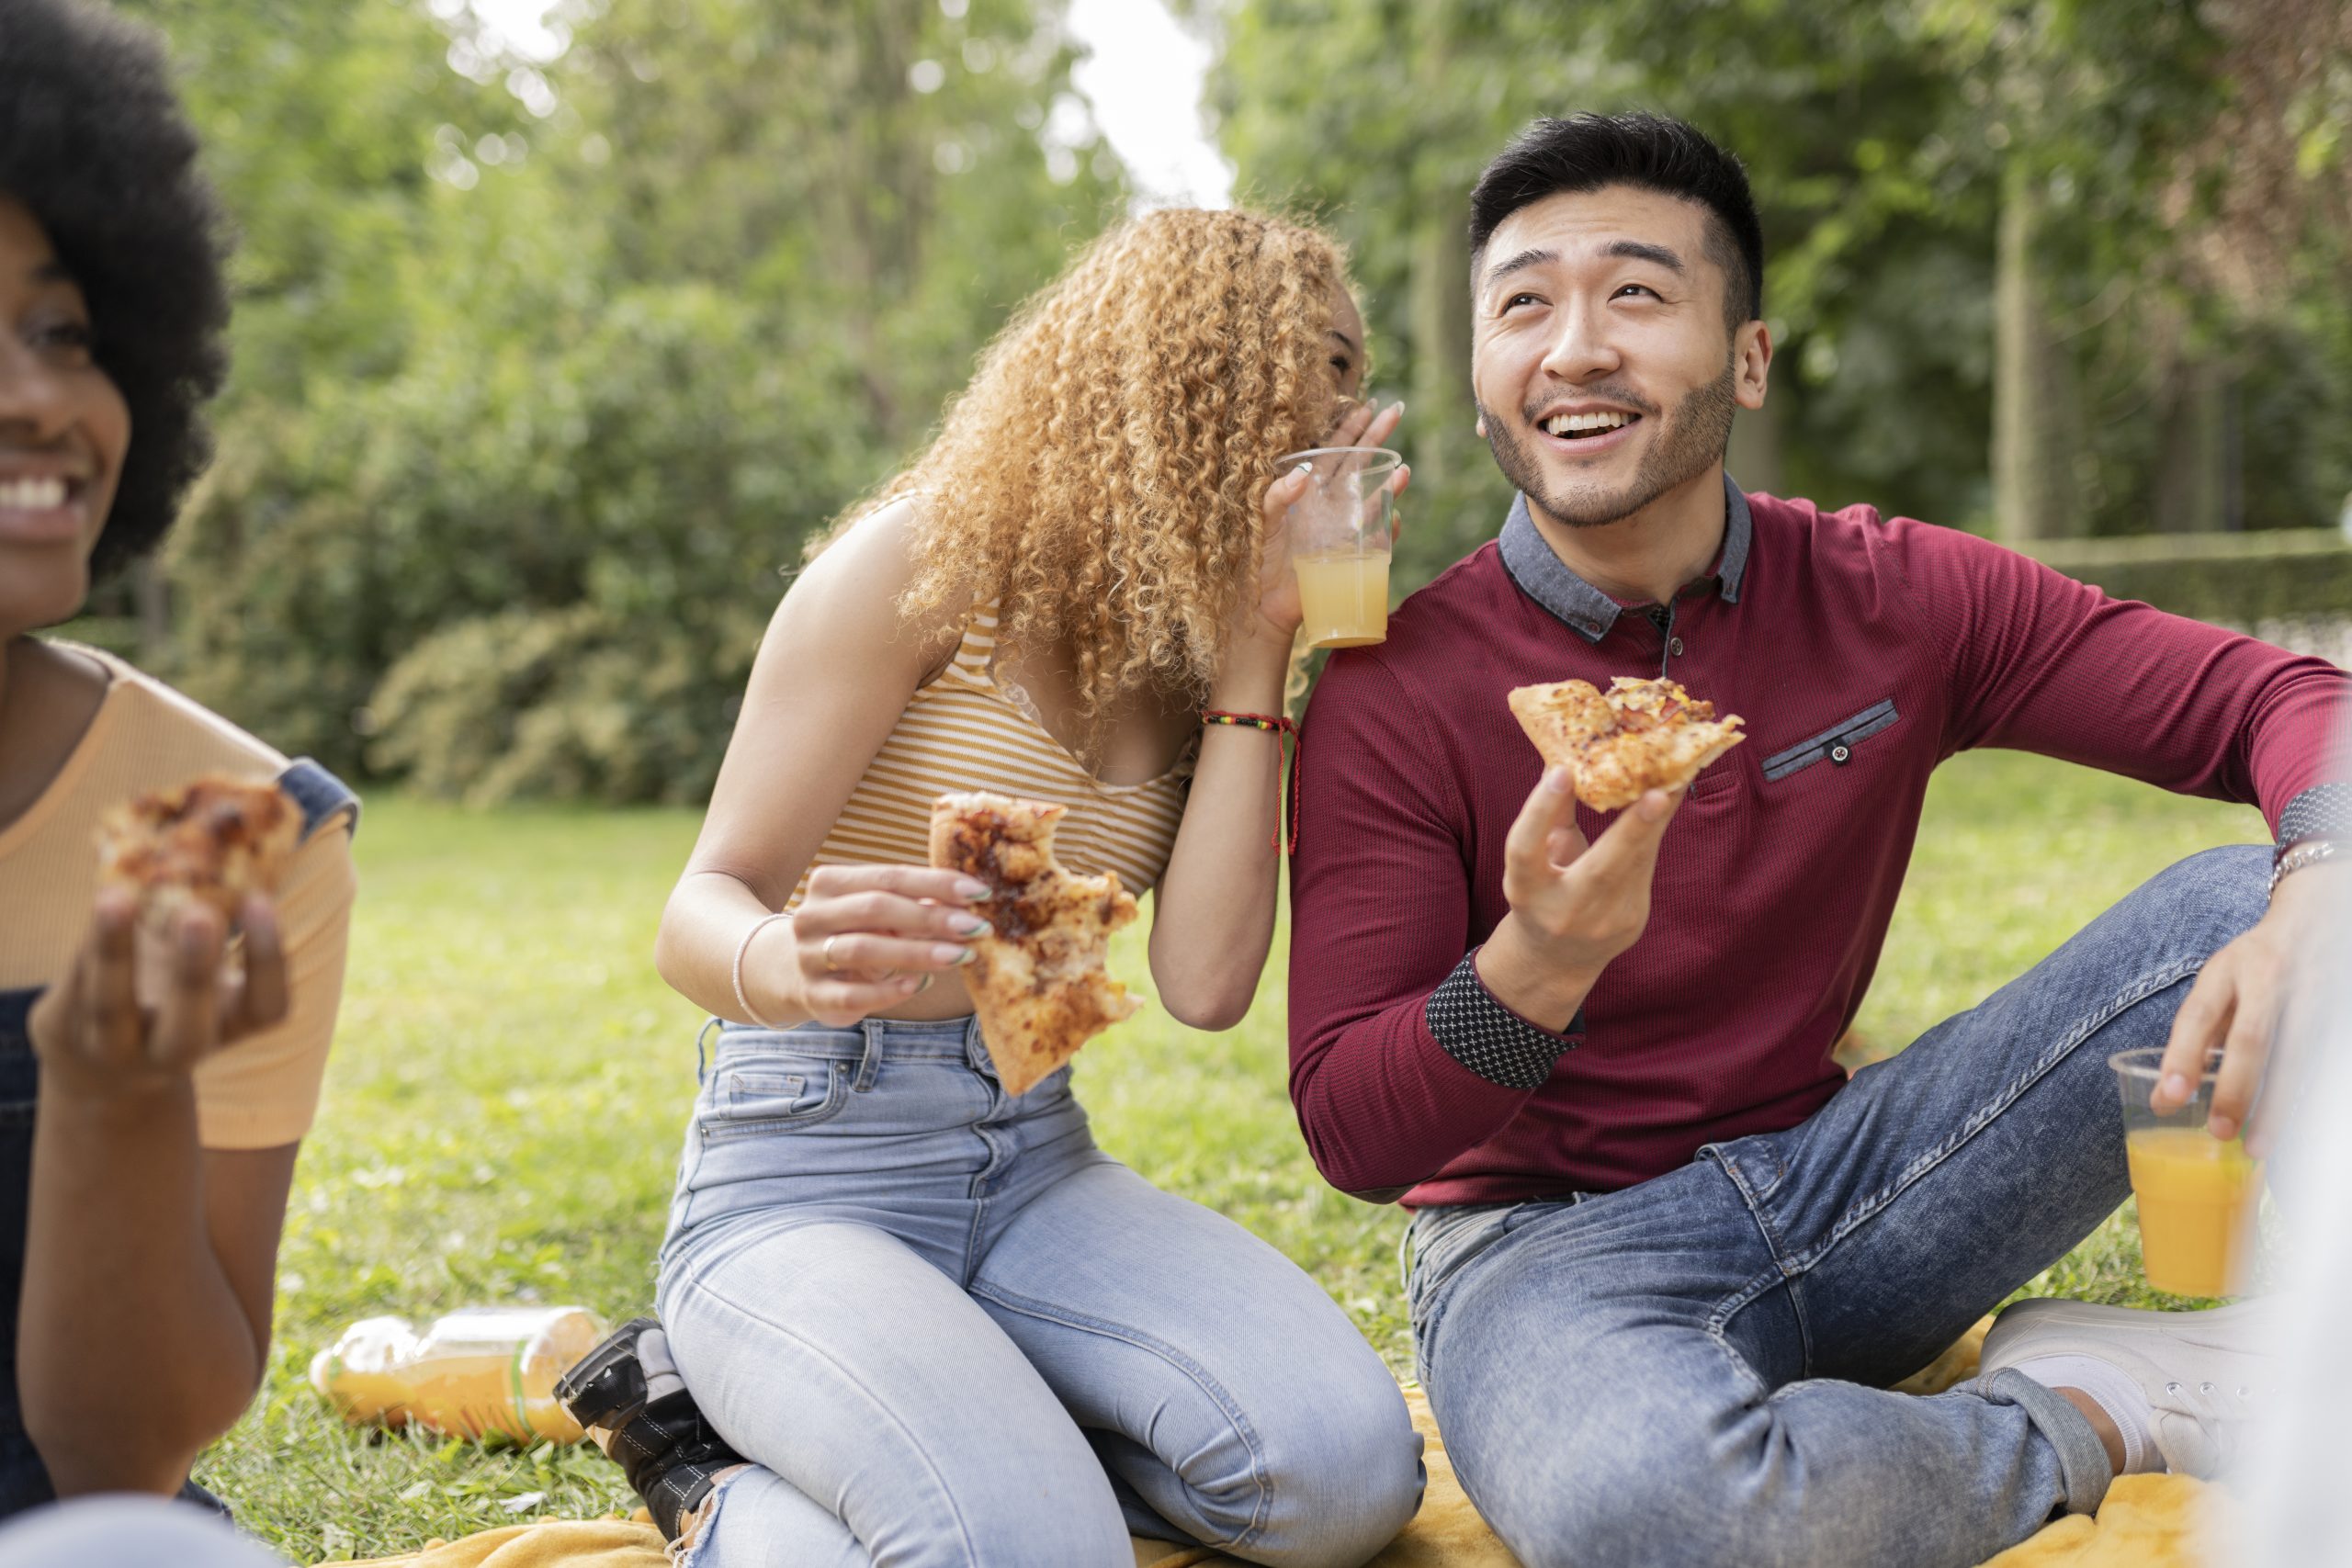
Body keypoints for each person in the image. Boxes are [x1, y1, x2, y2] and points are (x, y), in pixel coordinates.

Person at [1285, 110, 2348, 1568]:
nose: (1575, 348)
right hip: (1545, 1257)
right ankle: (2104, 1406)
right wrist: (1532, 964)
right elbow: (1351, 1128)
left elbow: (2286, 701)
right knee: (1647, 1506)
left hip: (1864, 1181)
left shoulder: (1890, 593)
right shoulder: (1392, 685)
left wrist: (2316, 889)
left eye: (1638, 295)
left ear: (1748, 358)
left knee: (2277, 895)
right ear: (1481, 375)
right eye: (1523, 304)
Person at [558, 208, 1424, 1567]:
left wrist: (1262, 653)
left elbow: (1202, 988)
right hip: (801, 1172)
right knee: (1031, 1552)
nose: (1343, 406)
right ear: (1184, 373)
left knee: (1346, 1478)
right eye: (1309, 361)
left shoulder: (1195, 659)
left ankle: (980, 1444)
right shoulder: (914, 568)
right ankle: (704, 1467)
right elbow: (702, 903)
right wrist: (783, 963)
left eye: (1350, 367)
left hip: (1033, 1163)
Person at [0, 0, 357, 1528]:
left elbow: (124, 1466)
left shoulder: (248, 835)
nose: (39, 400)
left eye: (61, 330)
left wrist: (105, 1099)